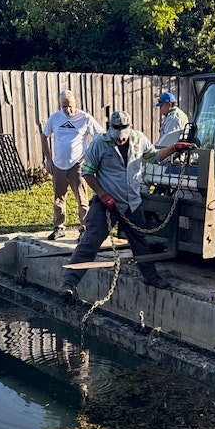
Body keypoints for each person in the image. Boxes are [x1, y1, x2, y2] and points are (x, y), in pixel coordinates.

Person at [60, 110, 195, 296]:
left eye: (123, 138)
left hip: (132, 203)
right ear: (111, 131)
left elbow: (153, 157)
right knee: (89, 243)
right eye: (117, 138)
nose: (120, 141)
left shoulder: (139, 139)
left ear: (130, 128)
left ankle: (151, 277)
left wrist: (174, 148)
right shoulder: (100, 143)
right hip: (105, 203)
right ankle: (68, 284)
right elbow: (87, 172)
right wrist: (102, 194)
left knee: (140, 243)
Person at [41, 90, 103, 241]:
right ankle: (59, 227)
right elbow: (44, 136)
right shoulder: (55, 118)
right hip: (58, 165)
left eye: (70, 106)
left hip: (77, 165)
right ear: (60, 106)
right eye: (64, 107)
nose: (67, 110)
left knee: (82, 199)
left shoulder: (85, 118)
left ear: (75, 104)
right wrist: (49, 159)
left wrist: (87, 155)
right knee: (58, 199)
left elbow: (100, 136)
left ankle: (84, 229)